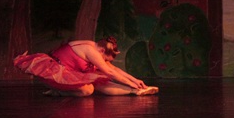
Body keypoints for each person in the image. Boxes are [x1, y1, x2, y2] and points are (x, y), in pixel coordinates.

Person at [13, 36, 158, 96]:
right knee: (88, 90)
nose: (104, 61)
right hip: (54, 72)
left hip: (71, 71)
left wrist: (135, 81)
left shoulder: (97, 48)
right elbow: (110, 71)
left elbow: (113, 69)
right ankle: (58, 91)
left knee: (100, 81)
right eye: (105, 58)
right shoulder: (91, 51)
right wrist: (131, 82)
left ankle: (135, 91)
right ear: (102, 51)